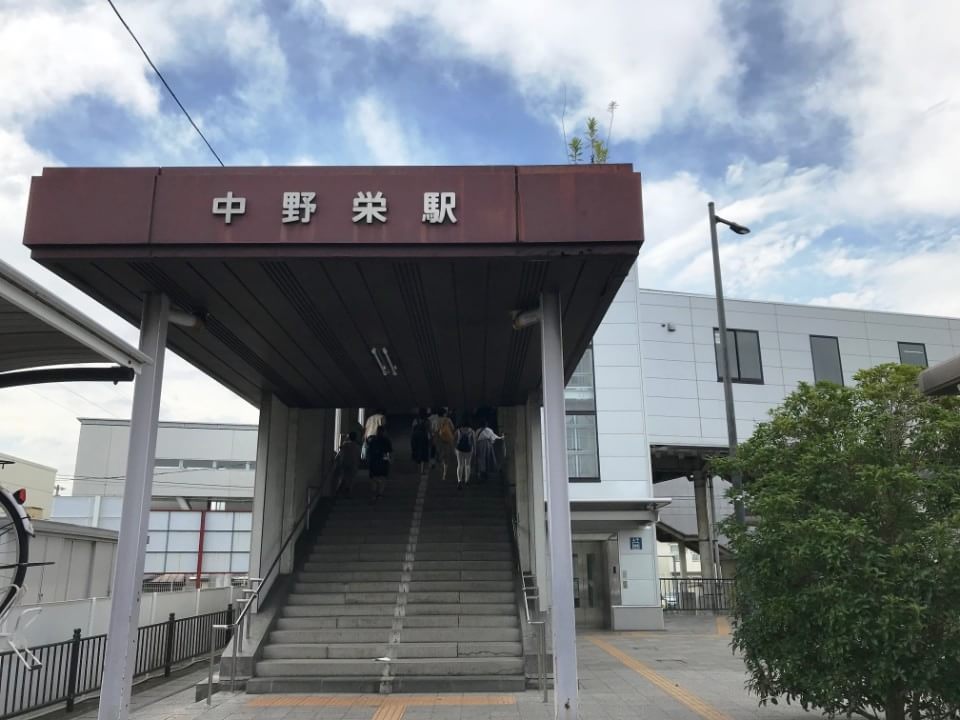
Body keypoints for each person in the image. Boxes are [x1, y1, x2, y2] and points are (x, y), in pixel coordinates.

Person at [366, 425, 392, 502]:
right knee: (383, 478)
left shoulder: (373, 440)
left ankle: (374, 494)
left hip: (373, 461)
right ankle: (380, 494)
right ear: (383, 432)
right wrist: (388, 461)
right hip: (382, 461)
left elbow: (369, 452)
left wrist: (368, 461)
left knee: (373, 479)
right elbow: (388, 453)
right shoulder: (386, 441)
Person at [333, 431, 361, 497]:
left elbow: (340, 449)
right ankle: (348, 491)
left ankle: (339, 490)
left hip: (344, 463)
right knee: (351, 479)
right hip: (353, 464)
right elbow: (358, 456)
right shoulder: (357, 446)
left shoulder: (345, 444)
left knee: (343, 477)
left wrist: (344, 438)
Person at [433, 408, 456, 481]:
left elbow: (434, 430)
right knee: (446, 457)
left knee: (440, 456)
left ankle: (441, 470)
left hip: (439, 440)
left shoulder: (436, 420)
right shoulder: (448, 420)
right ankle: (444, 474)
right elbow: (453, 428)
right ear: (444, 413)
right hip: (447, 440)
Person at [454, 416, 476, 490]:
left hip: (459, 449)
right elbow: (474, 442)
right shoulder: (471, 431)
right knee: (467, 464)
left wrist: (454, 448)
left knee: (460, 464)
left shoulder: (458, 430)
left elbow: (454, 439)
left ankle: (459, 480)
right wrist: (475, 450)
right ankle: (467, 480)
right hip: (469, 450)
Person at [411, 408, 431, 476]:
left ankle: (416, 469)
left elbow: (413, 430)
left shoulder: (415, 420)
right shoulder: (427, 421)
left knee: (416, 452)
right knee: (424, 454)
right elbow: (429, 431)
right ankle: (422, 471)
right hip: (424, 438)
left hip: (416, 438)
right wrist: (430, 439)